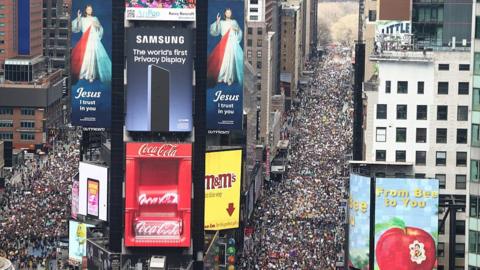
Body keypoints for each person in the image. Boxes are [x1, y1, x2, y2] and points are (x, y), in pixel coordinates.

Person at [71, 4, 112, 84]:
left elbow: (100, 29)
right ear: (85, 10)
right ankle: (83, 73)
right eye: (88, 9)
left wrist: (97, 26)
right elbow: (77, 28)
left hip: (94, 40)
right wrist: (79, 19)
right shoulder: (82, 19)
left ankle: (91, 75)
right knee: (85, 57)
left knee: (93, 57)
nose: (89, 10)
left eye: (91, 9)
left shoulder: (95, 18)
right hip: (85, 40)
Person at [207, 8, 243, 87]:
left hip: (232, 43)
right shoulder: (222, 22)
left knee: (231, 60)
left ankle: (229, 78)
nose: (228, 14)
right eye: (227, 13)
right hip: (224, 43)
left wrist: (236, 29)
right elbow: (215, 31)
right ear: (225, 14)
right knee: (224, 60)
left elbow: (239, 32)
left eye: (230, 13)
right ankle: (222, 76)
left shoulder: (234, 22)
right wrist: (217, 21)